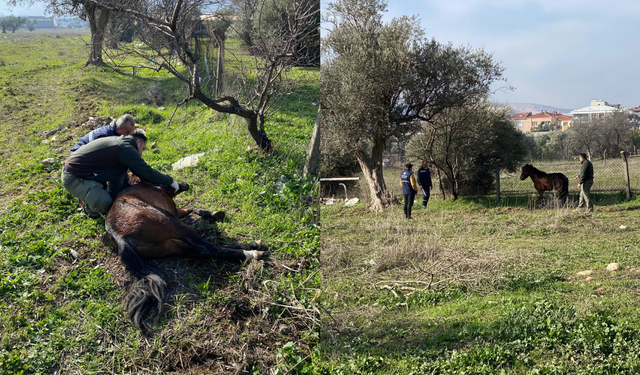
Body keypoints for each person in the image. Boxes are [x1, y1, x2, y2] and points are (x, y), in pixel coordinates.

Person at [62, 129, 179, 218]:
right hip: (73, 177)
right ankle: (88, 208)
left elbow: (118, 174)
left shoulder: (120, 143)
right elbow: (145, 171)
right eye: (143, 149)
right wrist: (170, 181)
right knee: (105, 203)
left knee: (113, 194)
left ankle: (92, 193)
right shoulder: (125, 147)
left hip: (88, 173)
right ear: (138, 142)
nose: (142, 154)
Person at [70, 114, 136, 153]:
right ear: (118, 129)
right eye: (127, 133)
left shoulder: (114, 132)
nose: (129, 136)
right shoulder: (106, 136)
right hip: (77, 158)